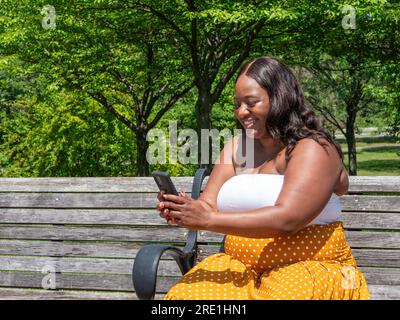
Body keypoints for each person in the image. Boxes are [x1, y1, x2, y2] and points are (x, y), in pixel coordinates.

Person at [156, 56, 370, 300]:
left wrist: (207, 220)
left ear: (280, 99)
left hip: (310, 265)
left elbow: (287, 219)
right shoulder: (238, 147)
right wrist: (185, 209)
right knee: (185, 298)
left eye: (251, 103)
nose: (241, 112)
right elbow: (209, 204)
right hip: (241, 267)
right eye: (237, 104)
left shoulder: (313, 148)